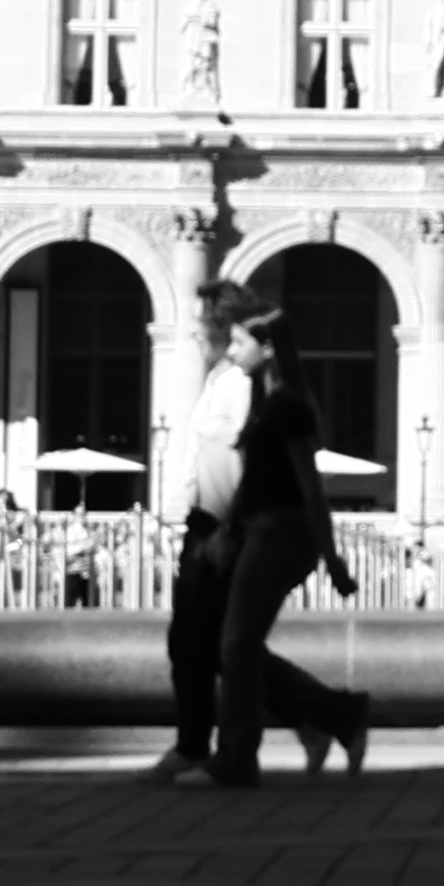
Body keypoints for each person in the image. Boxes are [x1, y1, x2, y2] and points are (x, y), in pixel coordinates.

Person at [156, 284, 362, 790]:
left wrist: (330, 556)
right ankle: (321, 719)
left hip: (258, 530)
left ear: (261, 344)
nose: (202, 332)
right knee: (225, 645)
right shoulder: (256, 392)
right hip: (240, 527)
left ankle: (232, 753)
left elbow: (305, 486)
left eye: (232, 336)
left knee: (223, 644)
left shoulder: (277, 401)